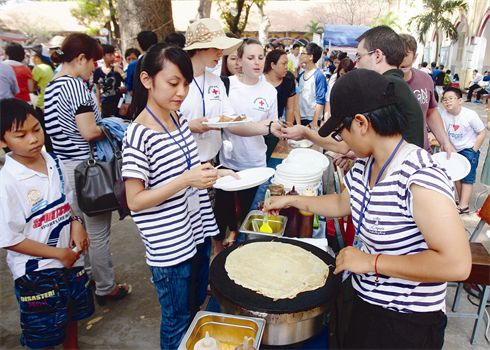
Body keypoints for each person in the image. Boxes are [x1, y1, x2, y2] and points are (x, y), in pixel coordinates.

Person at [265, 69, 471, 350]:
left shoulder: (419, 178)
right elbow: (342, 203)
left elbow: (457, 264)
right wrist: (291, 200)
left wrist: (371, 262)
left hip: (406, 324)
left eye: (341, 132)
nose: (342, 141)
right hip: (366, 303)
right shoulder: (365, 165)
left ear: (361, 123)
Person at [122, 43, 236, 349]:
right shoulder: (138, 134)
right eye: (173, 83)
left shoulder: (176, 120)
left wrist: (213, 172)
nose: (181, 92)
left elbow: (188, 169)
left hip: (195, 232)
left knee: (194, 306)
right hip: (169, 247)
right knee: (176, 319)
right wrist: (186, 179)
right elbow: (135, 200)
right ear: (147, 80)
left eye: (186, 84)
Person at [0, 98, 94, 350]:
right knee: (44, 331)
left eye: (36, 129)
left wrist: (76, 223)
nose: (33, 139)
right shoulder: (7, 182)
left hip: (70, 260)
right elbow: (10, 239)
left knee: (72, 314)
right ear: (2, 141)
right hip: (37, 273)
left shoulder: (52, 160)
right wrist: (58, 254)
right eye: (21, 135)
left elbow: (67, 202)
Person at [44, 33, 131, 305]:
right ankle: (106, 288)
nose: (94, 66)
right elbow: (89, 131)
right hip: (89, 170)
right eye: (92, 60)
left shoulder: (51, 87)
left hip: (66, 169)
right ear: (80, 58)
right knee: (97, 234)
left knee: (77, 229)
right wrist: (113, 126)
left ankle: (89, 279)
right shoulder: (75, 87)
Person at [216, 38, 282, 249]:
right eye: (250, 57)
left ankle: (243, 248)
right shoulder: (227, 86)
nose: (256, 63)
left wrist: (273, 127)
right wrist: (265, 125)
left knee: (249, 212)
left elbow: (272, 125)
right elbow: (228, 125)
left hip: (255, 162)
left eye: (261, 58)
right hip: (227, 161)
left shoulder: (270, 91)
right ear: (239, 60)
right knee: (222, 212)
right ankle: (218, 253)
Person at [355, 26, 425, 149]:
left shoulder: (386, 85)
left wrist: (309, 134)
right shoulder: (395, 83)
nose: (357, 65)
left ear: (377, 55)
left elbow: (359, 140)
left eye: (359, 57)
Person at [399, 33, 455, 156]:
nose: (400, 72)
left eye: (405, 67)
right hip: (392, 156)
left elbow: (430, 112)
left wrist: (444, 140)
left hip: (422, 152)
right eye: (396, 66)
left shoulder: (425, 79)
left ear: (415, 58)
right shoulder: (383, 81)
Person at [440, 87, 486, 214]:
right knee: (457, 175)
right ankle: (461, 203)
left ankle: (464, 205)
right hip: (455, 149)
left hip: (469, 149)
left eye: (451, 99)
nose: (447, 102)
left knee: (467, 178)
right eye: (444, 100)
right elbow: (443, 132)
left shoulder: (470, 115)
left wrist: (473, 150)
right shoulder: (444, 114)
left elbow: (482, 132)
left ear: (460, 100)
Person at [31, 45, 55, 153]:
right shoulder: (50, 67)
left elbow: (31, 88)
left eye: (32, 55)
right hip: (50, 102)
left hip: (41, 103)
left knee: (43, 131)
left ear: (37, 57)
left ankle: (49, 153)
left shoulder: (38, 68)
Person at [298, 42, 327, 127]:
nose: (300, 55)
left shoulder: (319, 75)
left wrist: (314, 121)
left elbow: (320, 99)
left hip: (312, 119)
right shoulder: (301, 75)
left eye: (303, 53)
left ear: (311, 56)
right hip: (300, 118)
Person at [264, 49, 297, 126]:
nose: (287, 67)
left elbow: (290, 108)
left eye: (287, 64)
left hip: (277, 125)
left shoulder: (288, 81)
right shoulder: (259, 81)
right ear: (272, 65)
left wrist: (288, 128)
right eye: (283, 63)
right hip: (259, 125)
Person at [94, 44, 126, 117]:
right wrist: (99, 105)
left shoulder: (117, 70)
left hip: (117, 103)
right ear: (103, 56)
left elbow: (126, 82)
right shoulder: (97, 71)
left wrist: (123, 87)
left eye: (113, 54)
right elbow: (98, 88)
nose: (113, 57)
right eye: (109, 55)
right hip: (104, 103)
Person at [125, 30, 158, 100]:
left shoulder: (132, 66)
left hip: (140, 102)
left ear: (139, 44)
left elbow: (130, 89)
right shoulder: (162, 62)